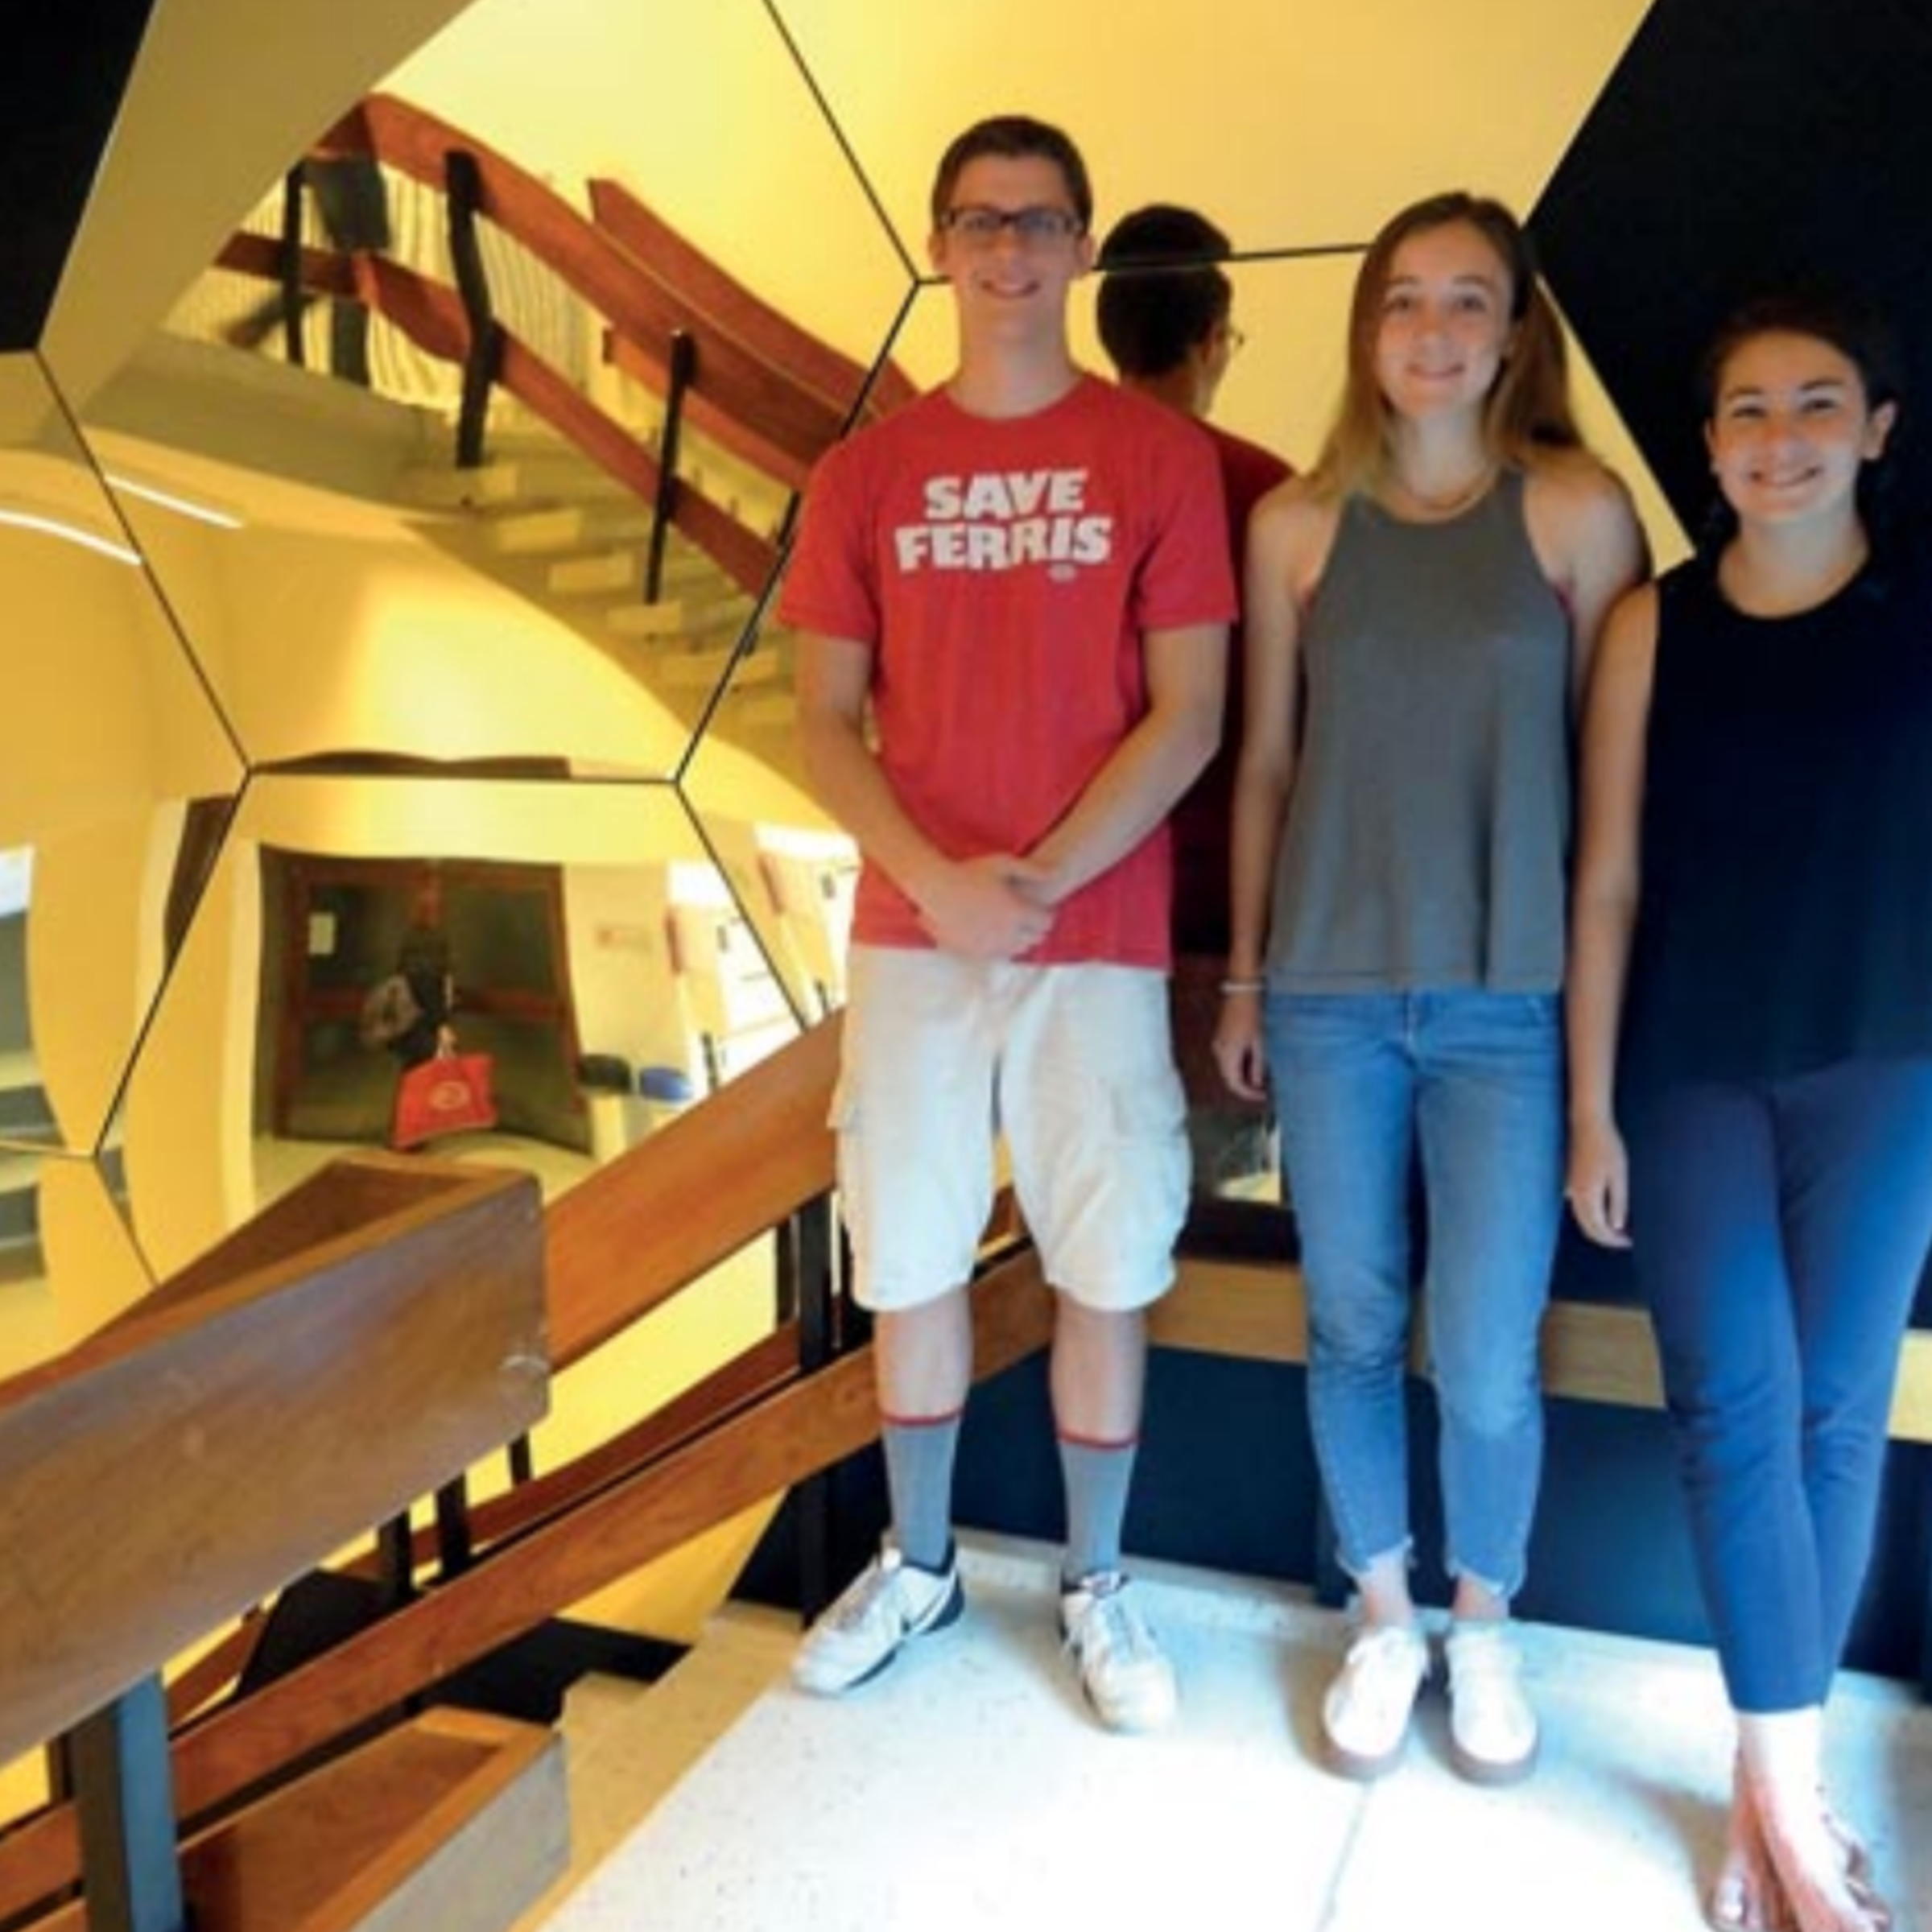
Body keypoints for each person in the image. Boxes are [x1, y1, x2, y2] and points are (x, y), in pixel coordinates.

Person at [778, 114, 1235, 1732]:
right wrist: (945, 878)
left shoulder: (1158, 459)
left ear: (1081, 247)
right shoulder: (865, 473)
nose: (1007, 248)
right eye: (979, 220)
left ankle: (1098, 1585)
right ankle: (921, 1564)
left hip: (1093, 940)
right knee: (907, 1254)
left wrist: (1031, 878)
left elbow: (1188, 713)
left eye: (1039, 221)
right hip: (912, 939)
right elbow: (824, 719)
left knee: (1105, 1262)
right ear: (937, 244)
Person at [1212, 191, 1646, 1783]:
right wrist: (1245, 976)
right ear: (1367, 327)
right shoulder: (1296, 528)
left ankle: (1485, 1618)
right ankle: (1381, 1613)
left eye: (1471, 301)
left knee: (1484, 1346)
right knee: (1348, 1321)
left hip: (1510, 1005)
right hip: (1326, 992)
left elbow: (1616, 799)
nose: (1436, 330)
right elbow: (1264, 764)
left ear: (1517, 331)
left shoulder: (1579, 514)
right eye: (1406, 300)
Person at [1567, 289, 1932, 1932]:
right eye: (1746, 411)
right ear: (1706, 447)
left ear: (1876, 429)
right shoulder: (1652, 623)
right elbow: (1609, 879)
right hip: (1690, 1066)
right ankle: (1790, 1805)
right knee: (1736, 1406)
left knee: (1837, 1413)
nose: (1778, 439)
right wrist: (1589, 1105)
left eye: (1815, 404)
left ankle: (1768, 1782)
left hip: (1890, 1066)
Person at [1096, 204, 1293, 1197]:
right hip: (1227, 926)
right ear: (1213, 340)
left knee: (1093, 1215)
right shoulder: (1270, 496)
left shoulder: (1060, 479)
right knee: (1221, 1240)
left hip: (1080, 921)